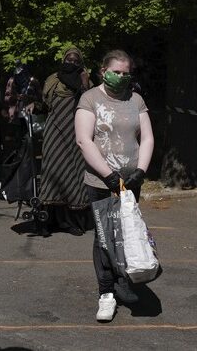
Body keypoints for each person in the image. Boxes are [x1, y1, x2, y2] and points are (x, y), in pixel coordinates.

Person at [75, 49, 155, 322]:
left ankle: (123, 279)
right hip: (101, 181)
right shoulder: (90, 99)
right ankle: (106, 292)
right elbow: (84, 140)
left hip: (130, 181)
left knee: (127, 231)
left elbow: (146, 138)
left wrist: (141, 171)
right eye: (116, 72)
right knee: (104, 236)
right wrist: (109, 175)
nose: (121, 77)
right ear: (103, 71)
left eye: (126, 73)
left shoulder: (136, 100)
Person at [39, 47, 93, 236]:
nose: (71, 63)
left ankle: (69, 222)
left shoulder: (85, 81)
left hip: (76, 135)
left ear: (81, 63)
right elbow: (44, 103)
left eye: (75, 61)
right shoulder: (53, 79)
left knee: (73, 175)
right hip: (54, 134)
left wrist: (85, 82)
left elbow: (89, 104)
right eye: (68, 60)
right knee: (52, 175)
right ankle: (45, 222)